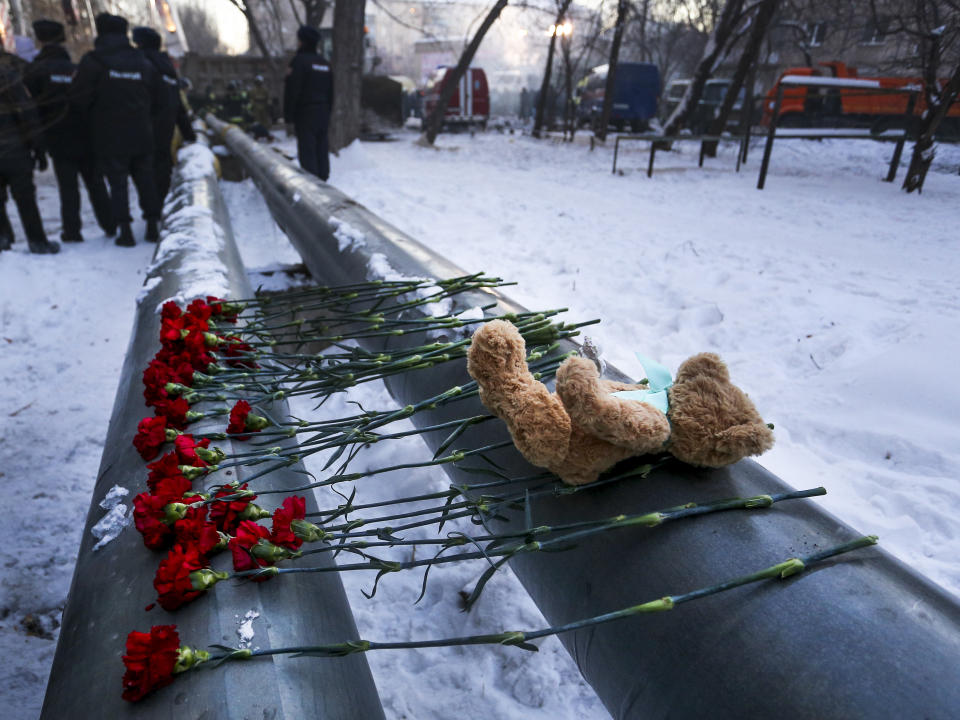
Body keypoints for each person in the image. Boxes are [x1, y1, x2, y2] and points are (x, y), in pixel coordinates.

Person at [71, 13, 161, 247]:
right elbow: (156, 95)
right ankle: (153, 225)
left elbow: (79, 99)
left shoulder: (93, 62)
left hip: (109, 135)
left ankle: (125, 231)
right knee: (145, 178)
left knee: (117, 183)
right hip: (141, 132)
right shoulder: (142, 61)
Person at [25, 19, 114, 244]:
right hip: (84, 135)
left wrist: (38, 145)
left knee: (68, 188)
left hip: (57, 137)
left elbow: (32, 108)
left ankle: (72, 231)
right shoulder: (76, 69)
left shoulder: (35, 70)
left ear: (40, 40)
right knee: (96, 184)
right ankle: (110, 223)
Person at [0, 48, 59, 254]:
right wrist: (38, 148)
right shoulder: (7, 74)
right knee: (25, 198)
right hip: (14, 147)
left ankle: (3, 237)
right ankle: (37, 240)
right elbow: (27, 112)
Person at [131, 26, 196, 203]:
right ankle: (160, 205)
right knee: (162, 167)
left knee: (145, 172)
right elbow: (178, 104)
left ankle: (153, 213)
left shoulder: (141, 64)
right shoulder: (166, 65)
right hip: (165, 129)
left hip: (145, 127)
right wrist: (189, 133)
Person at [283, 25, 333, 181]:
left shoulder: (298, 62)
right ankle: (324, 182)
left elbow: (292, 91)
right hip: (323, 113)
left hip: (305, 114)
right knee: (321, 149)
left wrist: (288, 116)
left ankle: (313, 189)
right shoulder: (324, 63)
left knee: (308, 152)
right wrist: (327, 112)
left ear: (302, 42)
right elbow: (331, 92)